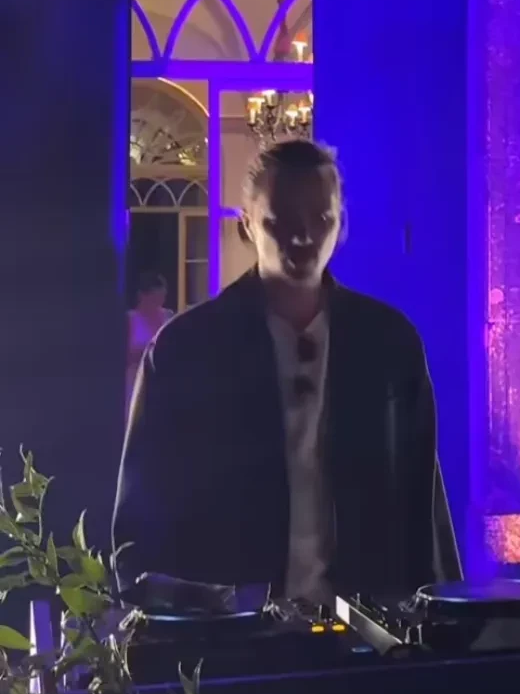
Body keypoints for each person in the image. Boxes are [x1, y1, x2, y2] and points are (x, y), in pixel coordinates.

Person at [115, 137, 461, 604]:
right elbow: (142, 514)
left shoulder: (387, 342)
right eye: (282, 221)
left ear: (341, 224)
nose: (303, 237)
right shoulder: (187, 348)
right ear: (247, 223)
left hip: (369, 626)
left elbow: (421, 503)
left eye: (321, 219)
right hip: (232, 629)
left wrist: (439, 618)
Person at [126, 272, 173, 413]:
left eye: (162, 298)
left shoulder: (168, 316)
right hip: (135, 379)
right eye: (154, 299)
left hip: (162, 379)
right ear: (142, 296)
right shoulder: (130, 319)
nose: (159, 303)